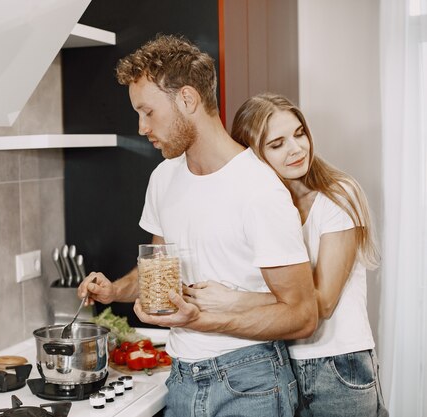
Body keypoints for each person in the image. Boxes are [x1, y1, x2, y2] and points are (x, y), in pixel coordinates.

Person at [77, 34, 318, 417]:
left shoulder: (259, 189)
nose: (141, 127)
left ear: (187, 99)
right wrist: (115, 290)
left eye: (148, 112)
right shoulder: (163, 178)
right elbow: (158, 273)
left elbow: (302, 315)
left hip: (251, 382)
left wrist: (203, 319)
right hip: (183, 379)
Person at [184, 93, 388, 416]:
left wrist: (234, 299)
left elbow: (320, 302)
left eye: (299, 133)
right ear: (252, 154)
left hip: (337, 366)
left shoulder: (338, 196)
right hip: (280, 364)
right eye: (276, 144)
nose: (296, 149)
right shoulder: (265, 210)